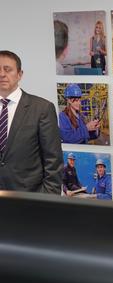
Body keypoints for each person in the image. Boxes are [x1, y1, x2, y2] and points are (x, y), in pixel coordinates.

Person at [0, 50, 62, 194]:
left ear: (20, 74)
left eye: (7, 69)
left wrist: (47, 200)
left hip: (29, 199)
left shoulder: (42, 108)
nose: (2, 74)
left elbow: (53, 160)